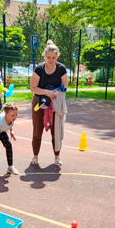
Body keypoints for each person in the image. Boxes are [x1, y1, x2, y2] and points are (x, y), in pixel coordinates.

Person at [29, 40, 68, 168]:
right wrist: (47, 92)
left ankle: (57, 156)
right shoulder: (39, 69)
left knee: (56, 130)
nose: (51, 60)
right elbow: (33, 88)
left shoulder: (61, 69)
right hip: (39, 102)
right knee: (37, 130)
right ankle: (35, 156)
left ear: (57, 56)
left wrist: (56, 92)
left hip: (55, 103)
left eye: (54, 57)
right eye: (49, 57)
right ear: (44, 55)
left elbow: (65, 87)